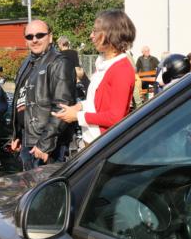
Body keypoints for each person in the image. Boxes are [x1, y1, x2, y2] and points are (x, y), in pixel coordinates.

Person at [53, 9, 136, 146]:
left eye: (95, 31)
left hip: (104, 145)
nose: (91, 35)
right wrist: (79, 106)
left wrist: (77, 116)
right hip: (93, 141)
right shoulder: (104, 63)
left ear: (110, 34)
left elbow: (115, 117)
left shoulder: (121, 69)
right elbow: (98, 103)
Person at [10, 19, 75, 170]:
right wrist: (17, 134)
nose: (34, 40)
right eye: (29, 36)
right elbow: (21, 99)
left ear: (50, 37)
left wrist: (45, 144)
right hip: (28, 140)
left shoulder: (59, 62)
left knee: (46, 185)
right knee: (29, 184)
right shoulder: (27, 62)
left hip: (47, 145)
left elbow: (62, 106)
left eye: (40, 35)